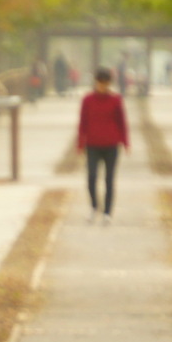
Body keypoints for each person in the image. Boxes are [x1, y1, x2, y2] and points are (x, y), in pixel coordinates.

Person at [77, 67, 130, 225]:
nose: (102, 86)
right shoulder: (87, 100)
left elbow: (122, 122)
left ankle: (107, 212)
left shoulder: (116, 100)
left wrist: (125, 141)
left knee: (109, 179)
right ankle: (94, 206)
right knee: (91, 176)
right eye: (100, 83)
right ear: (96, 82)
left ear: (109, 83)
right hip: (92, 144)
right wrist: (80, 142)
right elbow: (83, 122)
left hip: (111, 145)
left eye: (105, 83)